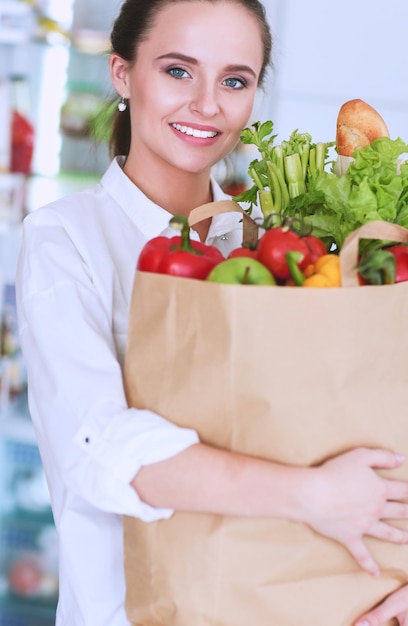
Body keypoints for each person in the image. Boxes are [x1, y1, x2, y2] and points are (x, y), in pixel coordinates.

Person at [15, 0, 408, 624]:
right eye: (177, 70)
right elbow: (98, 450)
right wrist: (316, 496)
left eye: (234, 80)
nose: (207, 104)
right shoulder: (65, 238)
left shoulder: (282, 240)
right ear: (121, 74)